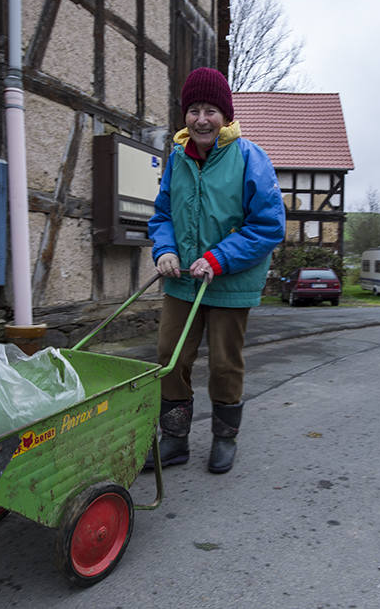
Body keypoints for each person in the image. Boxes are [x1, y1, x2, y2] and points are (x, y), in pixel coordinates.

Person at [145, 67, 285, 473]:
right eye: (193, 110)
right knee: (169, 356)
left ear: (225, 116)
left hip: (230, 280)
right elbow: (163, 213)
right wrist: (165, 250)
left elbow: (269, 225)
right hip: (183, 280)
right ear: (184, 115)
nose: (201, 119)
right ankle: (174, 440)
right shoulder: (177, 158)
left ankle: (225, 438)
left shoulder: (250, 158)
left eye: (210, 110)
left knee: (225, 363)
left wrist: (220, 258)